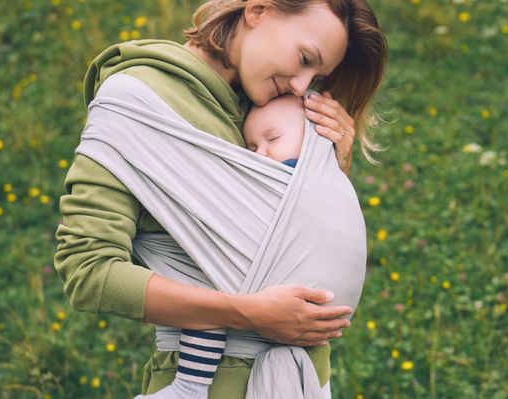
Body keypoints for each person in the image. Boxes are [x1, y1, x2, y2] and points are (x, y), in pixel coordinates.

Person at [53, 0, 387, 397]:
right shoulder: (138, 103)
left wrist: (328, 169)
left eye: (316, 75)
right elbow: (88, 271)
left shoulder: (279, 113)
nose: (302, 85)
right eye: (303, 58)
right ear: (258, 11)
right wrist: (248, 313)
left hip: (305, 380)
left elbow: (286, 242)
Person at [136, 95, 310, 399]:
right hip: (260, 286)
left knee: (205, 296)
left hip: (270, 285)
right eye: (252, 148)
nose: (263, 154)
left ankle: (190, 387)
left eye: (274, 138)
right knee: (205, 297)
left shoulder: (298, 176)